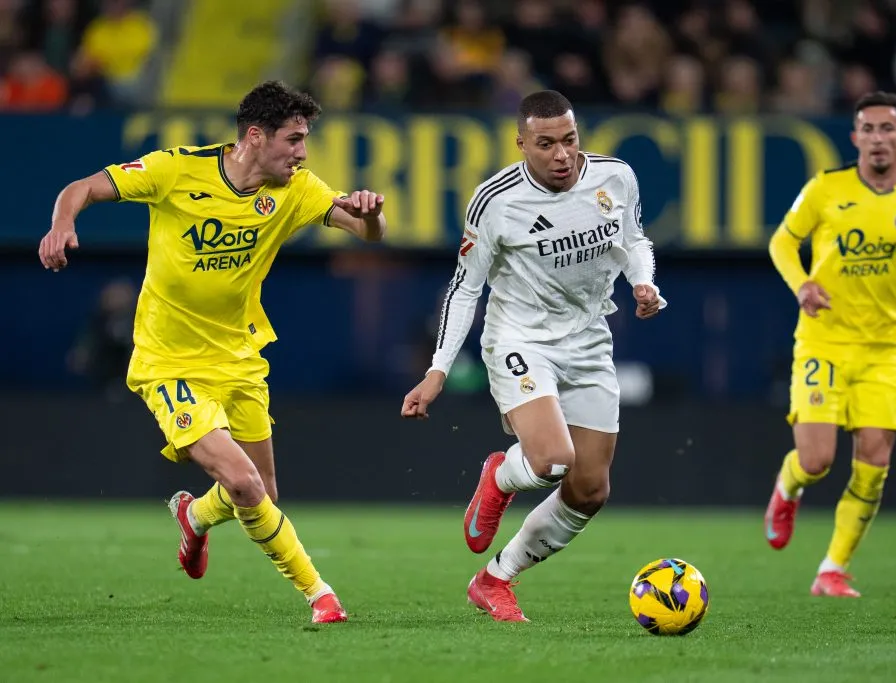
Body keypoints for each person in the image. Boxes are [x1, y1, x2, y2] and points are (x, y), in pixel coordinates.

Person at [38, 80, 387, 623]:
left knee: (262, 490)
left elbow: (371, 235)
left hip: (239, 357)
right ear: (254, 136)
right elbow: (80, 187)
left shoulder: (295, 189)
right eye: (294, 139)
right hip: (168, 361)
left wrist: (368, 213)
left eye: (305, 140)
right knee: (246, 484)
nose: (302, 152)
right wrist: (63, 225)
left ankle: (195, 518)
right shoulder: (176, 170)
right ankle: (321, 595)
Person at [400, 90, 666, 622]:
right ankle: (499, 476)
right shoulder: (495, 201)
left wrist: (643, 282)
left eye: (569, 140)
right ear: (521, 143)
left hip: (590, 338)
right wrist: (438, 370)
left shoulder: (616, 176)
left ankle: (495, 579)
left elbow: (634, 239)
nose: (562, 155)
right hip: (521, 337)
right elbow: (464, 289)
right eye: (546, 145)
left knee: (589, 489)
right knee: (551, 461)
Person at [764, 91, 896, 597]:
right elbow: (782, 242)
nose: (877, 138)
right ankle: (786, 488)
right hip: (823, 342)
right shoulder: (825, 189)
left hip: (884, 351)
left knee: (875, 464)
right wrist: (802, 286)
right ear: (855, 136)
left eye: (887, 129)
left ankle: (832, 569)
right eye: (868, 129)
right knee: (815, 461)